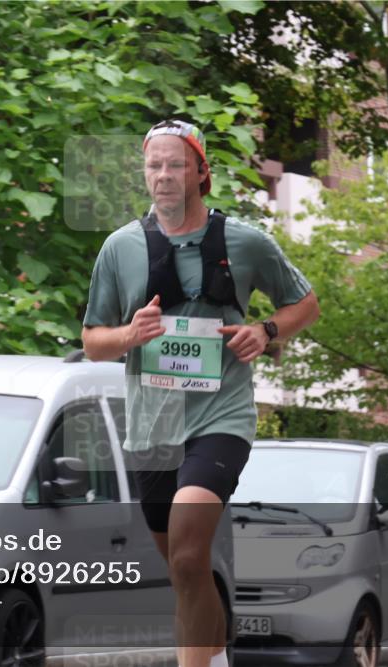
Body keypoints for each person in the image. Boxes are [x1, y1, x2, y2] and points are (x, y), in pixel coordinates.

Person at [81, 119, 320, 667]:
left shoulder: (245, 241)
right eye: (154, 165)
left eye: (175, 164)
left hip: (221, 418)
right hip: (153, 427)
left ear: (200, 171)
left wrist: (266, 331)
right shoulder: (120, 248)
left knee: (189, 557)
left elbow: (305, 303)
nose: (163, 176)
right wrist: (129, 335)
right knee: (184, 569)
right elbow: (94, 343)